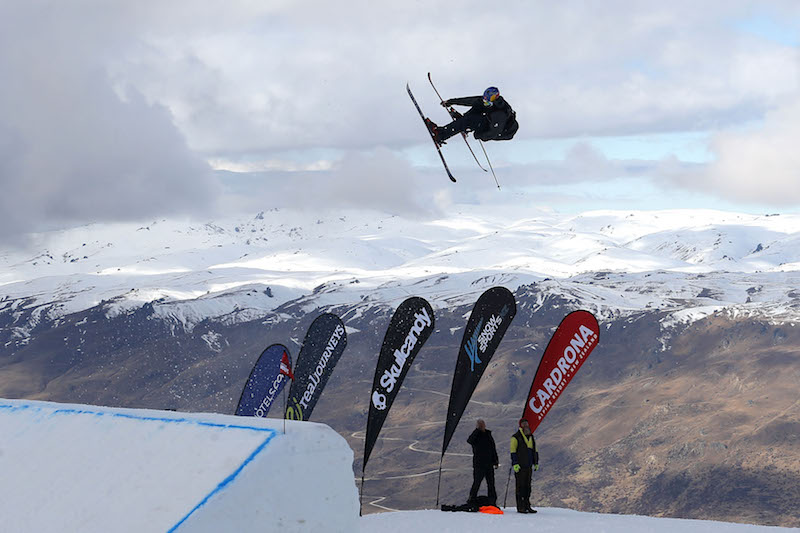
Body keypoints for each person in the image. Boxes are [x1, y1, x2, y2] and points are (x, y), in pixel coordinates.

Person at [426, 86, 518, 145]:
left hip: (500, 131)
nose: (485, 101)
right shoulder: (489, 102)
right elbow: (471, 101)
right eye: (485, 99)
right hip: (490, 121)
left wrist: (478, 135)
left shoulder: (500, 114)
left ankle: (441, 135)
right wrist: (451, 101)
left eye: (487, 101)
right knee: (478, 106)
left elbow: (493, 133)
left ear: (494, 99)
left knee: (469, 121)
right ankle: (464, 122)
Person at [467, 419, 499, 506]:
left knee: (491, 484)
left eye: (482, 424)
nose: (482, 426)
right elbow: (469, 440)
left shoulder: (488, 435)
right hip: (479, 464)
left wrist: (495, 461)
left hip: (489, 464)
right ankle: (471, 500)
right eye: (480, 425)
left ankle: (492, 501)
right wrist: (477, 430)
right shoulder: (476, 435)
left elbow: (493, 448)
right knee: (477, 483)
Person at [510, 418, 539, 514]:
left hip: (529, 466)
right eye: (524, 424)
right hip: (520, 466)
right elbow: (513, 451)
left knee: (527, 487)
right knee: (520, 486)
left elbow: (535, 450)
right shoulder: (515, 437)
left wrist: (536, 462)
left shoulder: (531, 437)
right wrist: (515, 463)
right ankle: (520, 507)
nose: (526, 425)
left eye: (527, 423)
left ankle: (527, 505)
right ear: (520, 426)